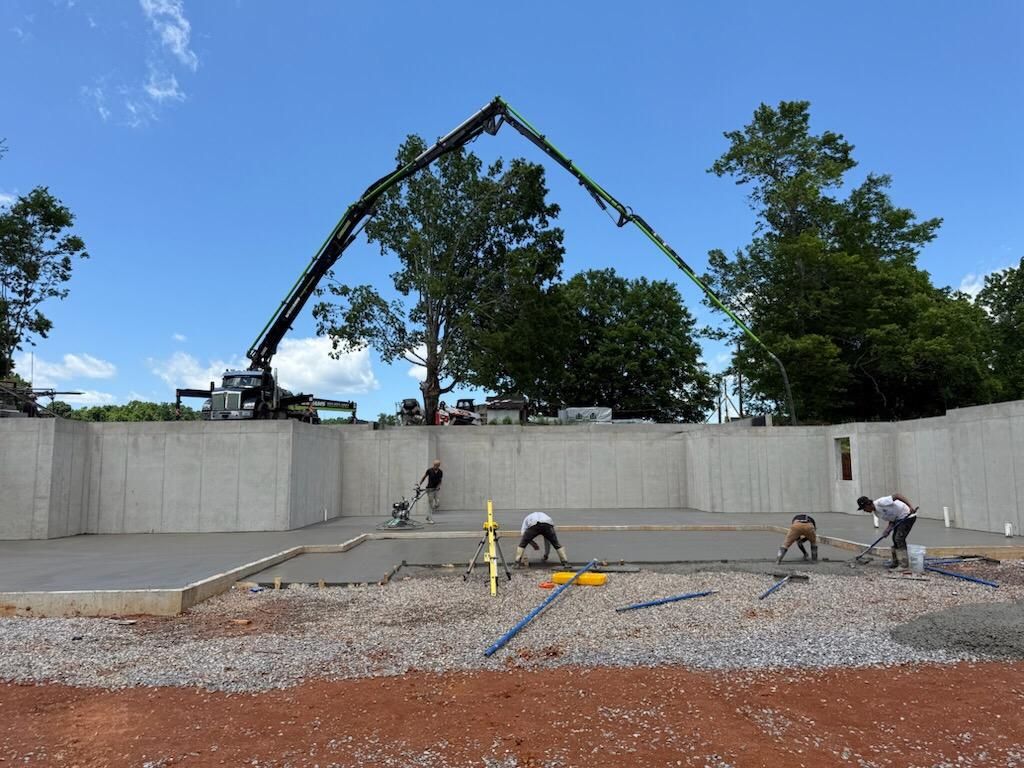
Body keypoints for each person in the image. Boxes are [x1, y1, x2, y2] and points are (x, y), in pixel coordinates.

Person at [857, 493, 918, 569]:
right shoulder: (877, 513)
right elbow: (892, 519)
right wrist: (887, 530)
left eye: (864, 508)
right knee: (895, 539)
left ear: (867, 505)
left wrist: (910, 507)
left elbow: (897, 496)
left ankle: (904, 565)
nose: (864, 511)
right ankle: (896, 562)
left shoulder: (881, 502)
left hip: (908, 515)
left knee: (899, 538)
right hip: (898, 518)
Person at [418, 460, 443, 524]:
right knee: (430, 504)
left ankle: (428, 515)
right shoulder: (429, 470)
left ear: (439, 465)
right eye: (434, 465)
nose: (435, 466)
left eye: (436, 465)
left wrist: (438, 486)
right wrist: (419, 484)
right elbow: (424, 477)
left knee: (438, 503)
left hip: (436, 489)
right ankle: (430, 518)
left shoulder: (440, 472)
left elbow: (440, 481)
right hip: (429, 489)